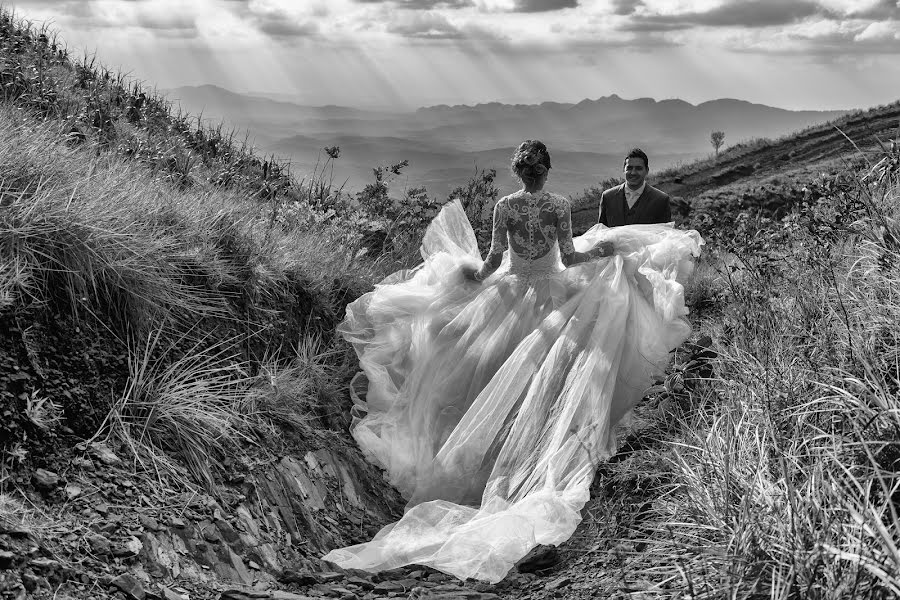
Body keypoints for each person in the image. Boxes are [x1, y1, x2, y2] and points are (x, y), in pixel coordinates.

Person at [323, 140, 702, 583]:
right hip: (552, 296)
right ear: (547, 170)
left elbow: (492, 262)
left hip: (508, 297)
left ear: (519, 172)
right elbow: (570, 257)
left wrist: (468, 277)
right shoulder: (559, 204)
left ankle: (483, 461)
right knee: (548, 376)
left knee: (490, 375)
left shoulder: (505, 205)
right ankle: (535, 453)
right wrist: (603, 252)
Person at [599, 148, 672, 226]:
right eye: (629, 168)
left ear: (647, 170)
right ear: (624, 170)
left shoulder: (661, 200)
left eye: (638, 168)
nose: (633, 172)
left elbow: (664, 234)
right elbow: (600, 232)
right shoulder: (608, 197)